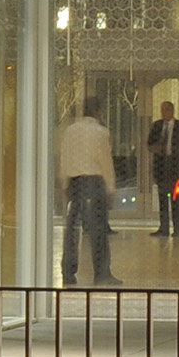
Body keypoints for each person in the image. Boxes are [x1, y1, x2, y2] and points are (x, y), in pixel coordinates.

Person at [58, 107, 118, 284]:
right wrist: (111, 187)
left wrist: (64, 182)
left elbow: (65, 157)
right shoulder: (100, 132)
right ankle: (101, 273)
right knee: (98, 230)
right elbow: (105, 161)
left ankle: (68, 272)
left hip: (74, 181)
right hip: (94, 181)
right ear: (99, 112)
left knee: (72, 229)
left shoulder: (70, 131)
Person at [145, 101, 179, 238]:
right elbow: (149, 144)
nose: (164, 112)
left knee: (177, 200)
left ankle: (178, 229)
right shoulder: (157, 126)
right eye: (162, 110)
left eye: (166, 110)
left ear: (172, 111)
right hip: (161, 166)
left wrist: (175, 148)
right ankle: (164, 228)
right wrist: (156, 148)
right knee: (162, 198)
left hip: (176, 167)